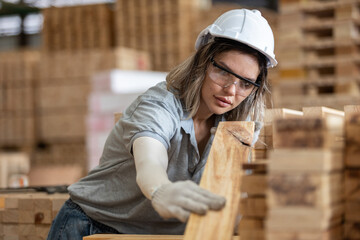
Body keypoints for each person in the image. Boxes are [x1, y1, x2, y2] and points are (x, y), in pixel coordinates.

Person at [47, 8, 277, 239]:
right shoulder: (160, 104)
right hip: (92, 226)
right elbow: (150, 160)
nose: (231, 90)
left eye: (245, 83)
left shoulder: (237, 124)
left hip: (159, 235)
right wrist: (160, 190)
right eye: (223, 72)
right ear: (202, 62)